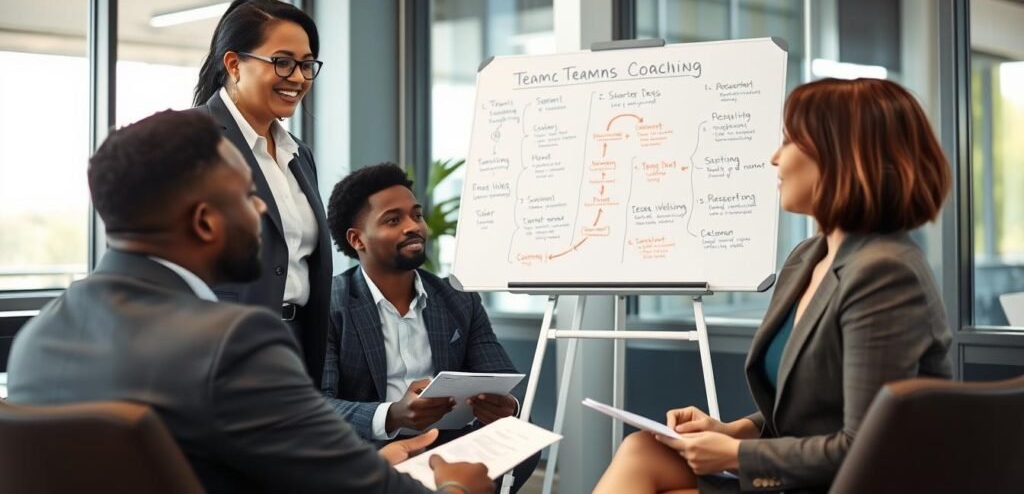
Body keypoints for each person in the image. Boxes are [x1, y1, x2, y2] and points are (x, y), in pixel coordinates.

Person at [6, 111, 493, 494]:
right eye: (246, 195)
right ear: (205, 223)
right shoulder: (232, 342)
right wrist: (457, 487)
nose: (262, 209)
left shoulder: (40, 337)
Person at [593, 78, 954, 494]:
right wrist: (731, 431)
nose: (774, 157)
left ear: (841, 157)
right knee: (643, 450)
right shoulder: (808, 256)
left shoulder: (885, 273)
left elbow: (865, 446)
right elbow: (811, 409)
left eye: (789, 141)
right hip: (798, 472)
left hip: (847, 482)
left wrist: (734, 455)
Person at [321, 162, 538, 492]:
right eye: (394, 220)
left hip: (451, 444)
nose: (414, 227)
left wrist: (508, 406)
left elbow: (502, 376)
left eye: (416, 215)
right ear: (357, 240)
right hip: (373, 448)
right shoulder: (331, 305)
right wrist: (392, 415)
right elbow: (321, 406)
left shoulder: (457, 299)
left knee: (522, 433)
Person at [192, 0, 331, 384]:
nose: (299, 78)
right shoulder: (192, 138)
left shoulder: (298, 153)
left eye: (306, 64)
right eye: (282, 62)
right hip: (224, 348)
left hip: (298, 342)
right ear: (234, 64)